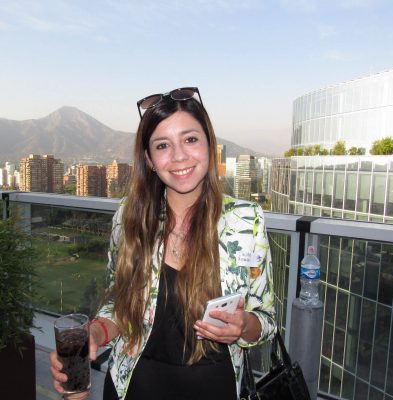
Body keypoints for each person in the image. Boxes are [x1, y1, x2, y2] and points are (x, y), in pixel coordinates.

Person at [50, 87, 276, 400]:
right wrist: (96, 333)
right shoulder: (129, 217)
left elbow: (266, 321)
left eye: (190, 139)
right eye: (162, 145)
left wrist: (243, 325)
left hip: (215, 387)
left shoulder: (246, 221)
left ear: (210, 145)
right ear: (149, 159)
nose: (179, 156)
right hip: (135, 387)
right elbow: (119, 304)